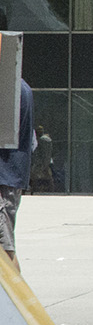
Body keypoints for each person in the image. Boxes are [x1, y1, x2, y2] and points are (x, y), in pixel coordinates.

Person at [0, 79, 35, 271]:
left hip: (5, 177)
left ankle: (14, 300)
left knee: (5, 250)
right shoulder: (18, 87)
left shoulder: (11, 89)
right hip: (9, 175)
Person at [30, 125, 53, 192]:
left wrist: (44, 167)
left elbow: (46, 155)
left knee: (42, 180)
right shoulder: (35, 140)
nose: (39, 133)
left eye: (40, 131)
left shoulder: (44, 140)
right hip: (38, 165)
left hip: (41, 166)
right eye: (38, 131)